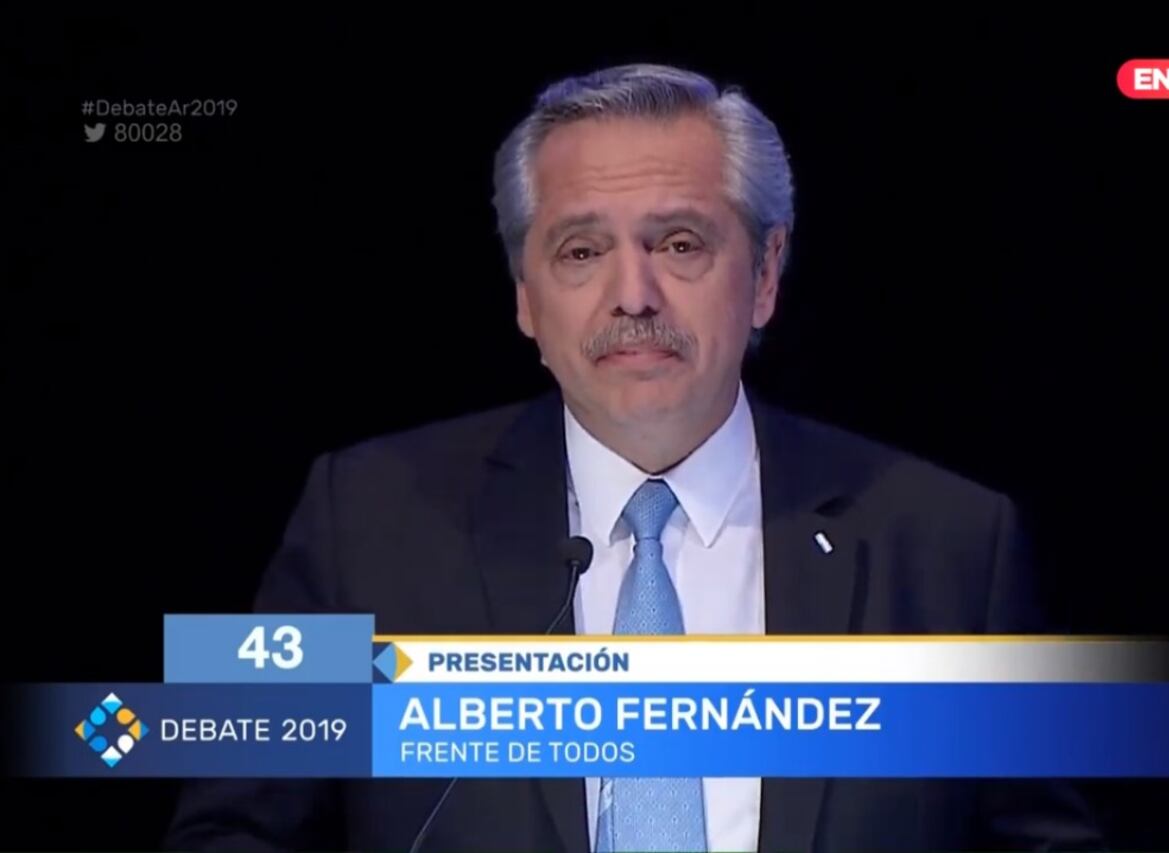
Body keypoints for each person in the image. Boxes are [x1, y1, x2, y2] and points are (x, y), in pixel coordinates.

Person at [166, 63, 1103, 852]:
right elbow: (227, 830)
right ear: (526, 297)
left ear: (765, 273)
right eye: (581, 252)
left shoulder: (949, 546)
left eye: (680, 243)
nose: (633, 295)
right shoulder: (363, 519)